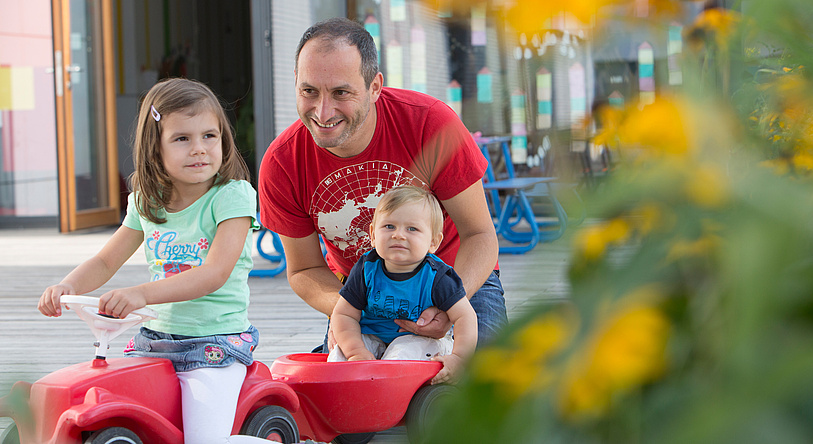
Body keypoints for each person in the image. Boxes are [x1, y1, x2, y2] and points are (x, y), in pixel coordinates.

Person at [38, 78, 272, 444]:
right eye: (182, 139)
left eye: (209, 136)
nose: (199, 149)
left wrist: (142, 293)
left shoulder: (231, 197)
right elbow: (104, 261)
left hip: (214, 346)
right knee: (111, 402)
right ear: (155, 148)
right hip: (154, 341)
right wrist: (69, 285)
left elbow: (213, 274)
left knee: (204, 440)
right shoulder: (147, 201)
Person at [258, 17, 507, 350]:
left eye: (341, 92)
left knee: (484, 389)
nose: (323, 110)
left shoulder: (430, 124)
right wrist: (353, 311)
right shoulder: (282, 163)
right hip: (362, 293)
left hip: (453, 281)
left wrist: (448, 306)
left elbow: (480, 235)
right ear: (295, 82)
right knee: (342, 392)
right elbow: (303, 269)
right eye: (309, 91)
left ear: (374, 87)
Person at [328, 186, 477, 385]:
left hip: (420, 340)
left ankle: (394, 404)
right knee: (338, 357)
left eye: (412, 229)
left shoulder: (437, 276)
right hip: (372, 335)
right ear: (373, 234)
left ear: (433, 242)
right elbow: (344, 314)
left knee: (399, 359)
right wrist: (356, 352)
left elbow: (465, 315)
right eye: (389, 226)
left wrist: (459, 358)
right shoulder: (367, 268)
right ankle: (349, 405)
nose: (398, 235)